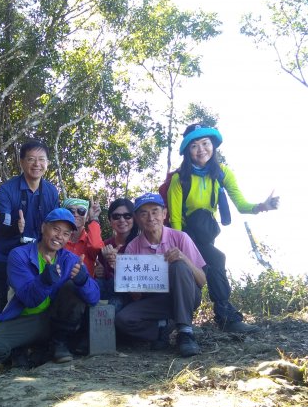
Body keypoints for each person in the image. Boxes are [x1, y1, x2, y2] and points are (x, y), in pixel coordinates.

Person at [167, 123, 280, 333]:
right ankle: (225, 316)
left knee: (207, 265)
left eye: (205, 143)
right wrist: (181, 246)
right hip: (185, 233)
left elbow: (241, 204)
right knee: (216, 259)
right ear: (187, 151)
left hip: (206, 232)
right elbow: (174, 219)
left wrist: (262, 206)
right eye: (194, 145)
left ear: (213, 145)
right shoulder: (179, 178)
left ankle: (194, 317)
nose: (201, 149)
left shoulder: (222, 173)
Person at [0, 208, 100, 366]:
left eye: (66, 233)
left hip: (56, 322)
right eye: (55, 229)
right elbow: (29, 299)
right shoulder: (19, 255)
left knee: (72, 287)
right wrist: (45, 280)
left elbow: (94, 297)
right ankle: (30, 351)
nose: (59, 237)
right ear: (43, 227)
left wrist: (83, 281)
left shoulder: (71, 260)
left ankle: (55, 344)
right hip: (25, 319)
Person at [115, 193, 206, 357]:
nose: (150, 218)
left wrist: (183, 258)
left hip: (187, 296)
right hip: (156, 302)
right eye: (143, 213)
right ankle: (162, 328)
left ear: (164, 214)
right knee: (123, 319)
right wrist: (128, 282)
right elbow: (136, 296)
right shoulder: (132, 248)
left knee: (179, 265)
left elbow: (202, 281)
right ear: (137, 218)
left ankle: (185, 332)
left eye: (155, 211)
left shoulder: (180, 238)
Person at [0, 140, 59, 317]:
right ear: (21, 162)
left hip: (37, 256)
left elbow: (55, 225)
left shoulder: (51, 192)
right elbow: (2, 225)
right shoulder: (7, 190)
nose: (37, 164)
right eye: (31, 159)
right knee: (5, 301)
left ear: (47, 163)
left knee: (37, 297)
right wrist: (15, 227)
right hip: (6, 254)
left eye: (41, 159)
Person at [96, 198, 138, 312]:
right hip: (107, 290)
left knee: (115, 303)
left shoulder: (140, 245)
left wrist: (118, 265)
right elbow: (101, 275)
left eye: (127, 216)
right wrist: (99, 271)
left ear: (134, 218)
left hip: (131, 294)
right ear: (110, 220)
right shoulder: (105, 245)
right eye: (116, 216)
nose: (122, 220)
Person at [62, 198, 104, 276]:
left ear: (87, 217)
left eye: (81, 211)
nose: (76, 214)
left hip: (84, 286)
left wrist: (94, 219)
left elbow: (95, 246)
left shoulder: (90, 240)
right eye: (71, 211)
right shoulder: (59, 239)